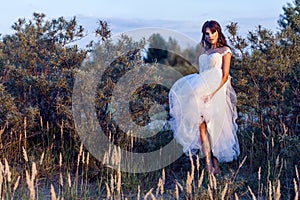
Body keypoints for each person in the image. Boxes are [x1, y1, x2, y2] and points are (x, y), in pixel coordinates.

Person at [168, 20, 240, 174]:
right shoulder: (204, 52)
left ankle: (217, 167)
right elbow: (202, 73)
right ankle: (208, 166)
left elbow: (225, 76)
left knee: (214, 130)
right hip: (200, 89)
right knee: (201, 128)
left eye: (213, 32)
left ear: (218, 32)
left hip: (216, 91)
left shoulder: (224, 51)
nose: (210, 36)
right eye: (207, 33)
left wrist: (212, 94)